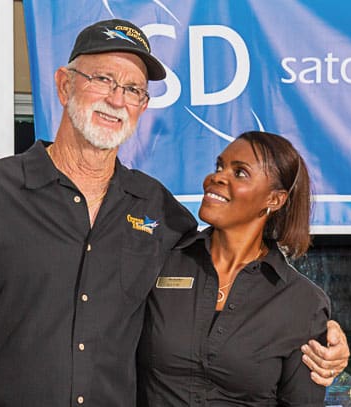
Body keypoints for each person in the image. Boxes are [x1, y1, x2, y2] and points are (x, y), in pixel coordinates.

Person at [0, 18, 348, 407]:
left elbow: (225, 294)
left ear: (143, 106)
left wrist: (326, 338)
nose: (118, 99)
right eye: (103, 80)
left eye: (134, 90)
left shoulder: (162, 214)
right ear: (63, 84)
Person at [136, 131, 334, 405]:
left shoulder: (303, 303)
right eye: (219, 166)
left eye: (240, 173)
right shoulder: (162, 258)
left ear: (274, 200)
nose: (217, 177)